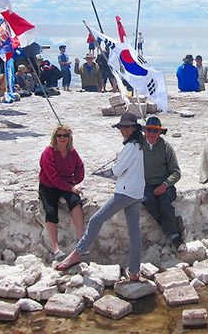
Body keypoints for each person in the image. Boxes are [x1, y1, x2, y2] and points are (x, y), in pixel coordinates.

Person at [56, 113, 145, 279]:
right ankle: (134, 271)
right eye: (122, 127)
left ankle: (77, 253)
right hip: (137, 192)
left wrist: (114, 166)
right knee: (134, 232)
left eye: (127, 127)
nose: (124, 130)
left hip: (125, 192)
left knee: (97, 219)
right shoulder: (139, 145)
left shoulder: (131, 147)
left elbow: (117, 171)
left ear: (134, 128)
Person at [39, 125, 86, 259]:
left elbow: (80, 167)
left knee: (75, 202)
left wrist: (76, 180)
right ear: (54, 137)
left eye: (65, 135)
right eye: (59, 135)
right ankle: (56, 249)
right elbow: (53, 178)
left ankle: (80, 240)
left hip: (66, 182)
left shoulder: (72, 152)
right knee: (50, 211)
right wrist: (71, 188)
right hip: (48, 185)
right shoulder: (48, 152)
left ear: (69, 137)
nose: (62, 138)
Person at [142, 117, 185, 249]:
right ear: (145, 131)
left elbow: (176, 172)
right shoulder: (139, 146)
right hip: (146, 184)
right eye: (149, 130)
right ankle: (173, 226)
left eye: (155, 131)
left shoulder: (166, 148)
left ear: (160, 133)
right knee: (147, 200)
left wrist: (165, 185)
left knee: (165, 202)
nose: (151, 134)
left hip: (165, 183)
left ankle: (175, 237)